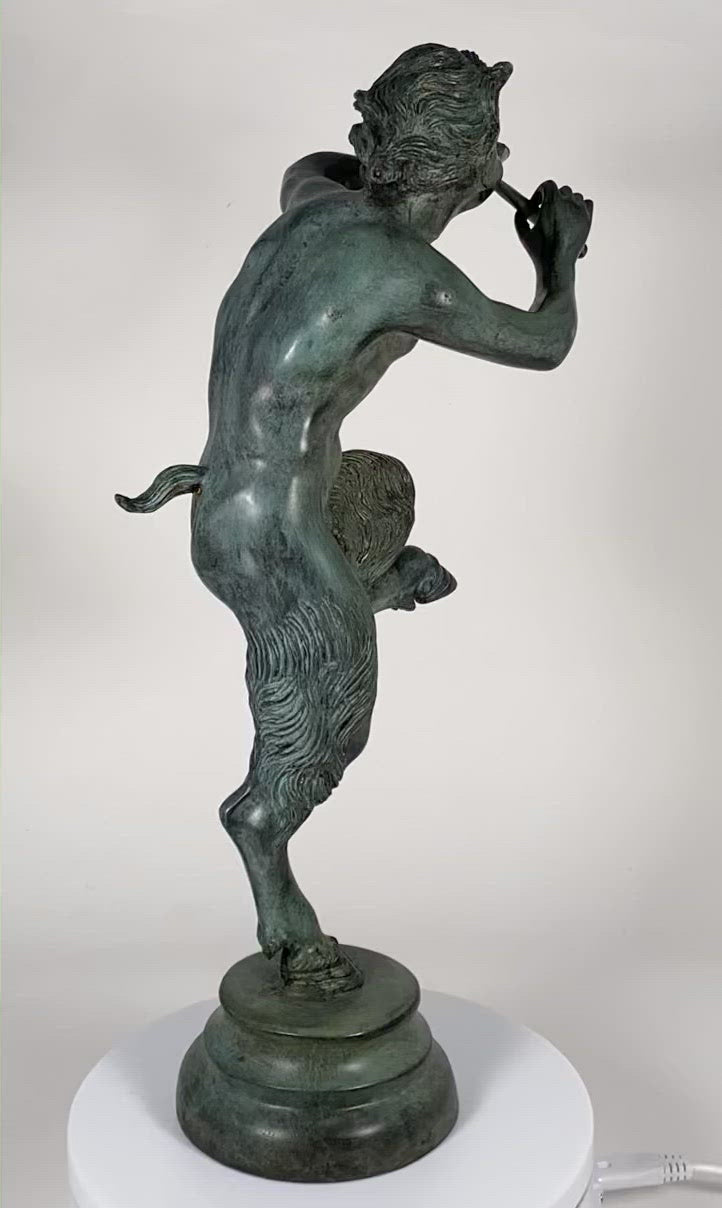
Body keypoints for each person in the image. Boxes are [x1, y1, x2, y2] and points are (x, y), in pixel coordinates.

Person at [116, 43, 593, 993]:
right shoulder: (411, 276)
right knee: (332, 732)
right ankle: (272, 870)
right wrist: (559, 256)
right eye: (493, 147)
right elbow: (544, 343)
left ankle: (355, 596)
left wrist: (383, 163)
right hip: (270, 534)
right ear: (477, 164)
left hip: (235, 494)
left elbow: (310, 166)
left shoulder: (314, 207)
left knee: (381, 489)